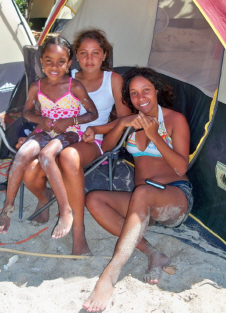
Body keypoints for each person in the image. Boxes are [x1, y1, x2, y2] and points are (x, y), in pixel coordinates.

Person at [83, 67, 193, 312]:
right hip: (143, 205)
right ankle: (152, 252)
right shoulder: (133, 122)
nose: (140, 98)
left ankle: (111, 275)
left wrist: (155, 137)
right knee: (94, 200)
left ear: (156, 91)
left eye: (145, 91)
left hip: (174, 198)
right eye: (133, 94)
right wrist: (122, 122)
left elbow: (180, 167)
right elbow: (108, 147)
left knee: (142, 192)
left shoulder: (175, 120)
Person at [22, 29, 131, 255]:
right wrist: (33, 134)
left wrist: (96, 129)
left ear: (104, 55)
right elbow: (46, 111)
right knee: (29, 170)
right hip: (55, 136)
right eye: (83, 53)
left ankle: (78, 231)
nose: (89, 59)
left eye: (95, 53)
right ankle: (45, 197)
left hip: (92, 139)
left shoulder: (113, 79)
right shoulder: (65, 74)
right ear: (75, 57)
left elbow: (124, 120)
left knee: (69, 156)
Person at [0, 35, 98, 238]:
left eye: (61, 62)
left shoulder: (74, 86)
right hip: (46, 129)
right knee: (22, 155)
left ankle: (66, 210)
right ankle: (8, 206)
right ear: (41, 62)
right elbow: (26, 112)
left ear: (68, 64)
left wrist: (70, 122)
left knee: (46, 155)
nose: (54, 66)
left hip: (69, 132)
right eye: (49, 61)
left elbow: (92, 113)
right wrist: (40, 120)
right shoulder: (37, 86)